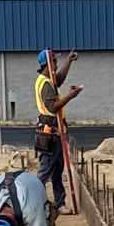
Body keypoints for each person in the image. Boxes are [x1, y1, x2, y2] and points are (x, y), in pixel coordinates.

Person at [34, 52, 80, 217]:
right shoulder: (44, 84)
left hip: (56, 133)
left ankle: (60, 203)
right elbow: (52, 107)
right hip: (50, 133)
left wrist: (69, 61)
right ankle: (33, 204)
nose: (56, 65)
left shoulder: (49, 81)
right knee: (46, 171)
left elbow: (59, 79)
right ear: (48, 64)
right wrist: (70, 96)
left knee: (57, 170)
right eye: (54, 61)